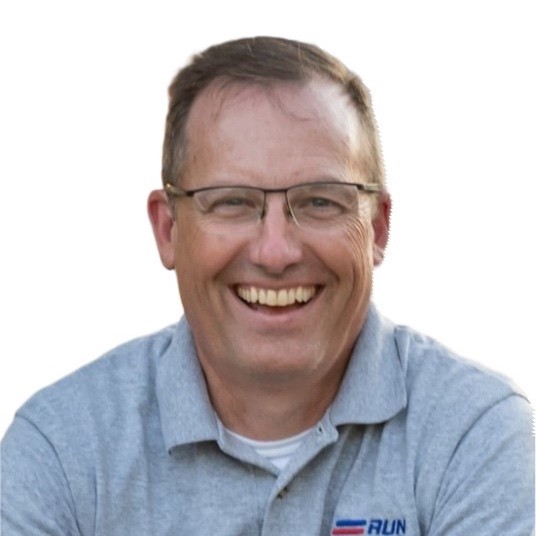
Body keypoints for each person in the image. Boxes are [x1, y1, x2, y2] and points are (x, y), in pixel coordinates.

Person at [1, 36, 533, 535]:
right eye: (232, 201)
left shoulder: (477, 435)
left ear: (376, 228)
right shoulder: (62, 449)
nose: (276, 252)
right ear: (168, 230)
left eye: (320, 201)